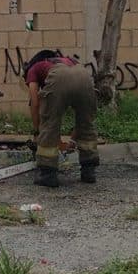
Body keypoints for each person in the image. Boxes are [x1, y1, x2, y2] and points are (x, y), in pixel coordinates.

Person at [24, 49, 99, 188]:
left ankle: (48, 175)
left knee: (50, 124)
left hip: (59, 77)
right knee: (86, 123)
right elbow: (82, 121)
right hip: (84, 76)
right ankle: (89, 171)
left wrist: (37, 132)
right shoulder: (70, 61)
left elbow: (35, 103)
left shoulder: (33, 68)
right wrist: (72, 140)